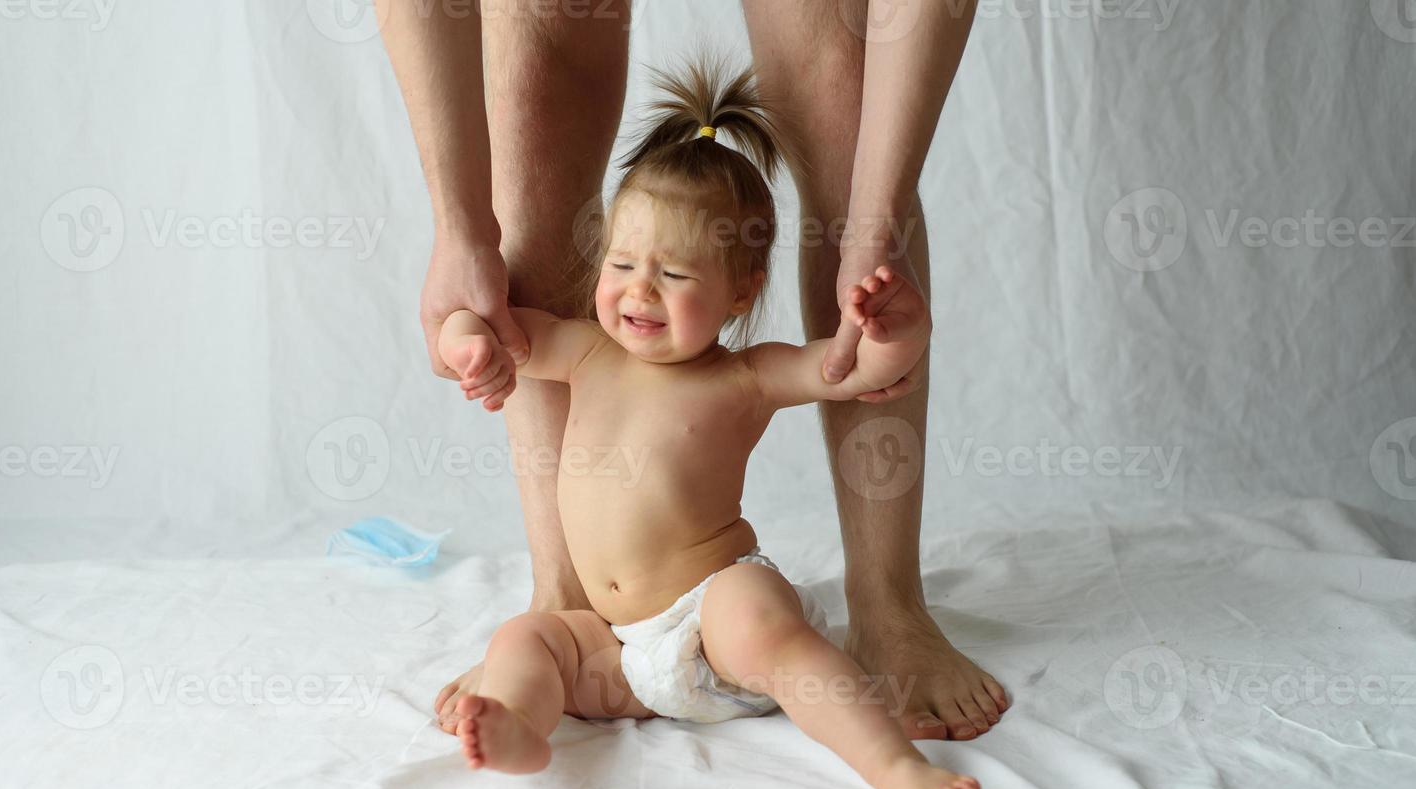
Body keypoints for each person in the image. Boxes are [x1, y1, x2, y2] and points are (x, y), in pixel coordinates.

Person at [374, 0, 1008, 741]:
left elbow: (854, 368)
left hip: (711, 622)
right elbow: (501, 335)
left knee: (840, 94)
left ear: (741, 293)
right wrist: (464, 310)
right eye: (621, 264)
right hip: (610, 653)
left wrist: (890, 315)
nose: (640, 290)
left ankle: (888, 628)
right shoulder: (585, 351)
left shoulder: (747, 376)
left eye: (673, 272)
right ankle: (546, 647)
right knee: (535, 96)